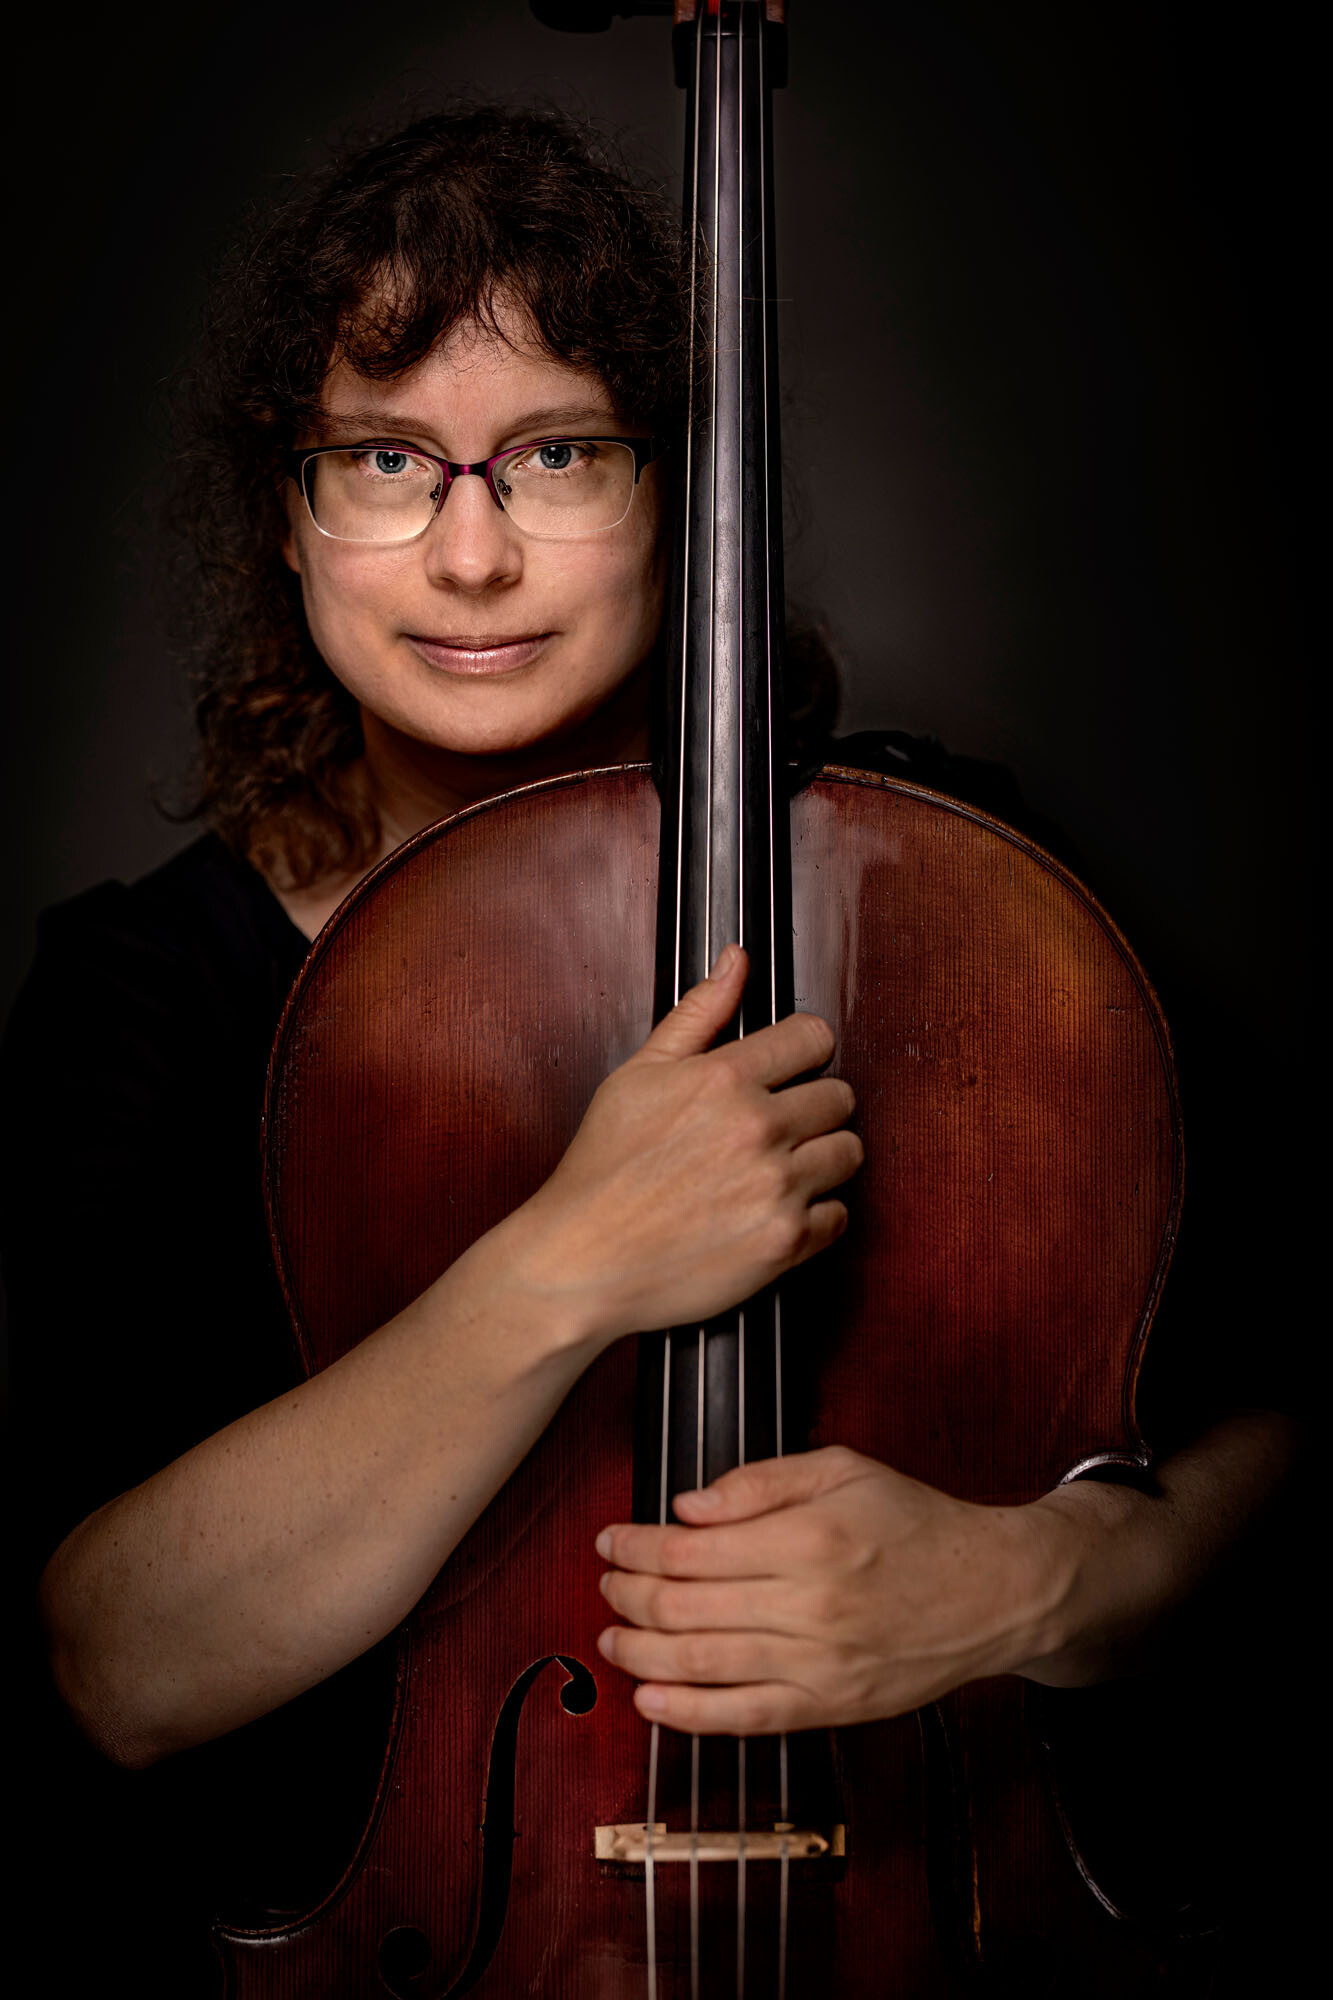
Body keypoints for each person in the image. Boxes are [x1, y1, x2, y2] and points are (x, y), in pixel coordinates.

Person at [4, 107, 1299, 1994]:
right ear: (286, 517)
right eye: (382, 460)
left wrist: (1048, 1583)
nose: (470, 554)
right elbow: (119, 1674)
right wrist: (566, 1259)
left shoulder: (952, 898)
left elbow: (1285, 1381)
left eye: (557, 457)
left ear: (676, 499)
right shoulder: (139, 999)